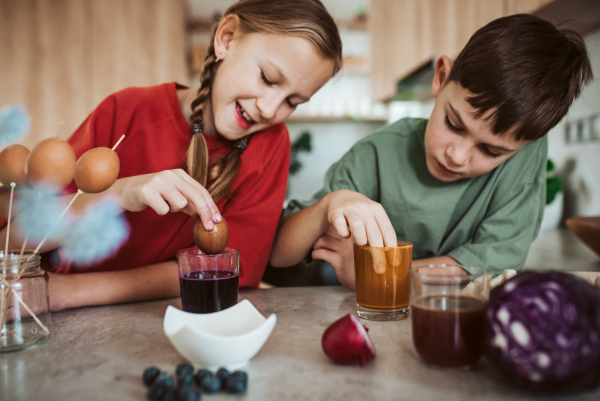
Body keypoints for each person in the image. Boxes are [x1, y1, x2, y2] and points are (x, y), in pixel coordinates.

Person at [0, 0, 342, 311]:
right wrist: (118, 193)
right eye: (268, 78)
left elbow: (236, 268)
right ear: (227, 37)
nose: (270, 109)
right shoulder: (127, 111)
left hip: (128, 314)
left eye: (292, 102)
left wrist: (68, 293)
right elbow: (12, 241)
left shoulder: (271, 145)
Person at [269, 14, 593, 289]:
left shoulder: (525, 154)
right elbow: (280, 253)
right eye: (454, 123)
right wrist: (329, 204)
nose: (458, 155)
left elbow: (495, 260)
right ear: (440, 78)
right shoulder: (375, 154)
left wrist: (381, 274)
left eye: (491, 151)